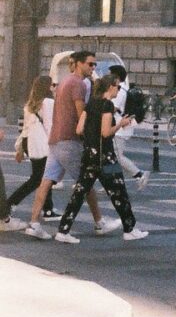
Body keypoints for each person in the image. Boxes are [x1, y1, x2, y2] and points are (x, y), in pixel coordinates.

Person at [24, 49, 117, 240]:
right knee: (86, 181)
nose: (93, 68)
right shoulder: (78, 84)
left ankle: (34, 223)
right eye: (90, 64)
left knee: (45, 182)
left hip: (56, 139)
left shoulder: (65, 81)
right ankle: (99, 222)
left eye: (94, 64)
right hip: (69, 140)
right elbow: (81, 113)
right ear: (80, 64)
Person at [55, 73, 147, 243]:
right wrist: (120, 124)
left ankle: (63, 230)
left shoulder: (90, 104)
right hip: (106, 157)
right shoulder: (107, 106)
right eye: (118, 86)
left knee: (79, 193)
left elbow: (79, 129)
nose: (119, 90)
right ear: (110, 86)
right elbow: (106, 133)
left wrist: (91, 136)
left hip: (89, 156)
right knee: (119, 192)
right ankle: (130, 229)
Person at [7, 74, 55, 219]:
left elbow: (25, 129)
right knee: (37, 178)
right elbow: (49, 126)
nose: (54, 88)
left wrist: (20, 148)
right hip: (42, 144)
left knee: (45, 175)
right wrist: (54, 145)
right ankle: (9, 203)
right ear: (47, 87)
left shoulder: (30, 104)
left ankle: (48, 209)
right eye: (52, 85)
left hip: (30, 143)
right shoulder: (48, 102)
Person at [106, 63, 148, 189]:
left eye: (110, 74)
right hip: (120, 128)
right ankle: (112, 181)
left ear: (116, 76)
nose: (108, 76)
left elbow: (112, 108)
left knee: (117, 156)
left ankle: (139, 175)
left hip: (120, 128)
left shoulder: (120, 91)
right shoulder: (122, 89)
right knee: (111, 156)